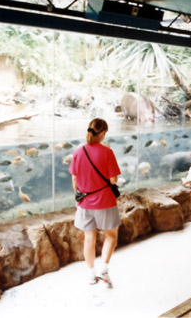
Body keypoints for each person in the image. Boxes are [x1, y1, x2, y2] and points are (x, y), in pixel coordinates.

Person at [69, 118, 121, 287]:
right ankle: (104, 269)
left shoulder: (78, 151)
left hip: (84, 201)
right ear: (103, 133)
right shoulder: (107, 152)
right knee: (111, 235)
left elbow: (74, 177)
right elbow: (113, 180)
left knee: (89, 238)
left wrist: (77, 198)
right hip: (105, 200)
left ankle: (91, 275)